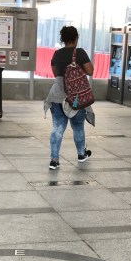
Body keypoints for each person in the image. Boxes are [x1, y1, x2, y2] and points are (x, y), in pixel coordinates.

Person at [43, 25, 94, 170]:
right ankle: (81, 154)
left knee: (57, 127)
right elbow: (90, 71)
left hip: (58, 94)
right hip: (77, 96)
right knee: (78, 126)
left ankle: (54, 160)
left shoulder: (57, 54)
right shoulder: (80, 53)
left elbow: (55, 74)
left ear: (63, 39)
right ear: (76, 38)